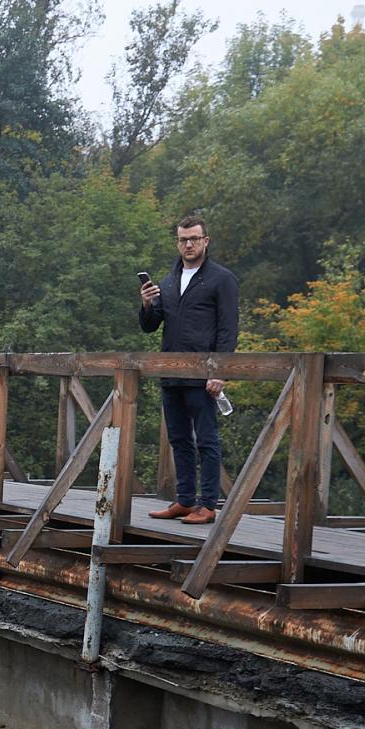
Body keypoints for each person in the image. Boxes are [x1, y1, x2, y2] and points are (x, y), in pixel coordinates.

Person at [140, 214, 239, 525]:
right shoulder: (168, 281)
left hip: (203, 373)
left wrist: (220, 371)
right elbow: (150, 326)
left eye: (194, 238)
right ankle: (184, 500)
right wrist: (146, 304)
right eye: (183, 239)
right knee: (179, 438)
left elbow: (228, 329)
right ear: (177, 242)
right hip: (170, 372)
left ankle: (207, 505)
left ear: (206, 241)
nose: (189, 244)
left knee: (206, 440)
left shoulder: (221, 279)